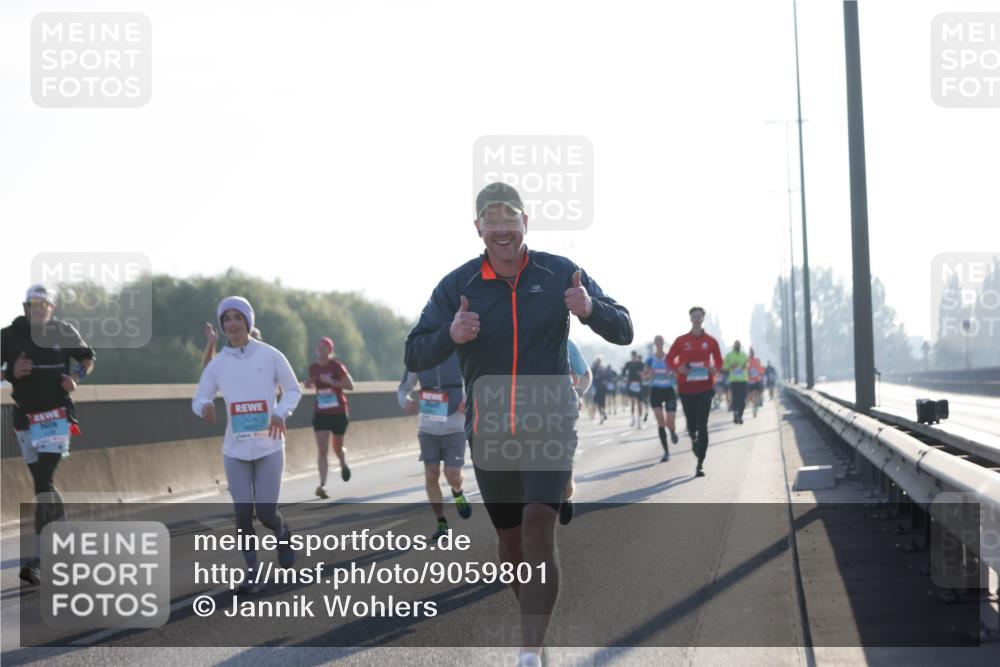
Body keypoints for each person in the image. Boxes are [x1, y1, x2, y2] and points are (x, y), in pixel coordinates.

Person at [404, 182, 632, 666]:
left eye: (511, 220)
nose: (502, 230)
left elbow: (624, 326)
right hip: (489, 432)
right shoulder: (457, 286)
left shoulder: (558, 274)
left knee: (537, 525)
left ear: (525, 223)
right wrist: (450, 333)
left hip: (548, 422)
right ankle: (537, 633)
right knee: (509, 541)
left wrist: (590, 310)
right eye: (493, 221)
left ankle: (528, 653)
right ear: (479, 228)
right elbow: (415, 350)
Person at [192, 296, 302, 593]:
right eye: (226, 319)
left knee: (265, 513)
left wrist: (280, 412)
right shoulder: (218, 364)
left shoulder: (269, 355)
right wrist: (204, 408)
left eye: (237, 317)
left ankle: (281, 531)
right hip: (235, 450)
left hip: (268, 446)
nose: (231, 324)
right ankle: (253, 572)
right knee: (242, 515)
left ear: (248, 322)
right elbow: (200, 396)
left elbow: (293, 390)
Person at [3, 285, 96, 586]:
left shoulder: (63, 331)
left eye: (44, 304)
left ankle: (41, 560)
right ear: (25, 307)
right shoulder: (9, 335)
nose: (39, 309)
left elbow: (87, 360)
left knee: (43, 480)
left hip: (57, 417)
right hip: (25, 419)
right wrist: (10, 372)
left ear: (52, 308)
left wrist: (75, 379)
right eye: (33, 304)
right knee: (44, 483)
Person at [398, 351, 472, 540]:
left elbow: (474, 380)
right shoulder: (418, 357)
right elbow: (404, 388)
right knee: (431, 473)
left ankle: (458, 491)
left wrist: (467, 401)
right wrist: (404, 401)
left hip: (455, 424)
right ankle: (441, 522)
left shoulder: (458, 353)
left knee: (453, 474)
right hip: (428, 425)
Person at [668, 307, 724, 478]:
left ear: (703, 318)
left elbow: (719, 361)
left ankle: (700, 463)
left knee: (703, 424)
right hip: (686, 389)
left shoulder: (711, 341)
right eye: (694, 317)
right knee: (692, 424)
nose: (697, 319)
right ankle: (693, 438)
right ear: (690, 319)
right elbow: (670, 359)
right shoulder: (681, 340)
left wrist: (715, 369)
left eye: (699, 316)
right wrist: (679, 368)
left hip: (706, 387)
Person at [303, 337, 354, 499]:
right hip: (321, 413)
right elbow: (313, 381)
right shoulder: (313, 368)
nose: (321, 351)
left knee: (337, 447)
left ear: (330, 350)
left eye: (324, 348)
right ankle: (322, 484)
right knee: (322, 448)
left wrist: (331, 381)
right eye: (319, 348)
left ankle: (342, 461)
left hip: (338, 412)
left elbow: (350, 385)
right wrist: (309, 383)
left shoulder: (336, 366)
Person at [561, 339, 592, 526]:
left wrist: (578, 393)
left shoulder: (565, 342)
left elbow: (586, 374)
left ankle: (565, 496)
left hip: (562, 412)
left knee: (564, 479)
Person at [643, 335, 679, 461]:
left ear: (663, 343)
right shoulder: (649, 359)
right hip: (656, 391)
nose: (658, 343)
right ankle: (666, 452)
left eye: (660, 341)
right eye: (656, 341)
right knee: (661, 422)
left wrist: (672, 373)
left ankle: (673, 431)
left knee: (670, 422)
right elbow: (644, 376)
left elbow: (677, 372)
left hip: (669, 390)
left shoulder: (669, 358)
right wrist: (649, 374)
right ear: (654, 344)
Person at [724, 340, 749, 424]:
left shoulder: (744, 355)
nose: (737, 346)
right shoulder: (729, 355)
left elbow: (747, 365)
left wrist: (744, 366)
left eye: (739, 344)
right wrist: (731, 366)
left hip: (743, 380)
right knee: (735, 398)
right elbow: (725, 366)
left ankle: (740, 416)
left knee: (742, 399)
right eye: (736, 344)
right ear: (733, 346)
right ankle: (735, 415)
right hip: (734, 380)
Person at [621, 351, 645, 428]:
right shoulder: (628, 364)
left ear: (636, 356)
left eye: (634, 356)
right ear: (631, 356)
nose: (633, 357)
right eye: (632, 356)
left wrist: (642, 374)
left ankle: (639, 421)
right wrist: (624, 377)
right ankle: (633, 419)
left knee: (639, 403)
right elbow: (623, 371)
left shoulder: (641, 364)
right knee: (632, 402)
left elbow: (645, 372)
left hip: (639, 384)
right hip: (631, 385)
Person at [746, 348, 765, 418]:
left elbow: (760, 369)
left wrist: (761, 374)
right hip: (749, 381)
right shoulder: (747, 360)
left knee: (757, 395)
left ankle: (755, 408)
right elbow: (744, 368)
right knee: (749, 397)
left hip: (757, 380)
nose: (751, 353)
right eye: (750, 352)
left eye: (752, 352)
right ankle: (754, 405)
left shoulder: (757, 360)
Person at [591, 357, 610, 424]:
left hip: (603, 388)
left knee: (603, 402)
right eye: (597, 361)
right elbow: (591, 377)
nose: (598, 362)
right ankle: (602, 415)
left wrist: (606, 381)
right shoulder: (593, 369)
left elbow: (608, 377)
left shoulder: (603, 368)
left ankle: (603, 413)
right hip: (596, 388)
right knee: (598, 403)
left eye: (599, 361)